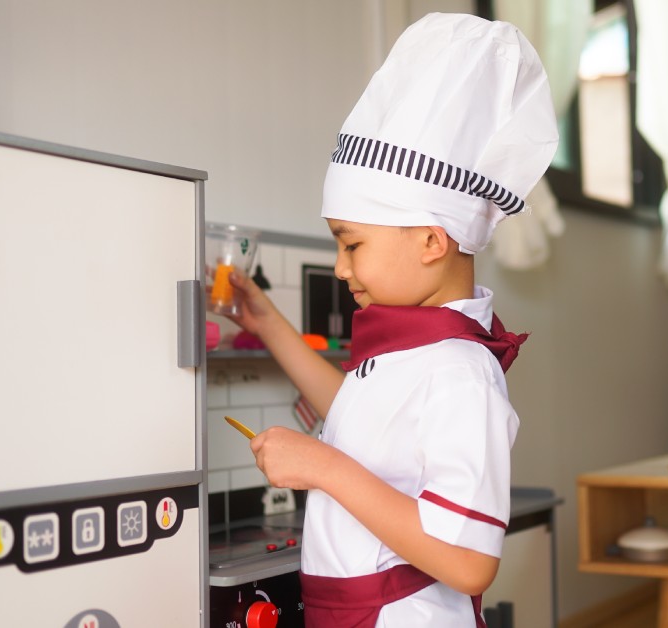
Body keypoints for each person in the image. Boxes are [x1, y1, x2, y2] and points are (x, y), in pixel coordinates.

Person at [220, 12, 557, 627]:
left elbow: (469, 562)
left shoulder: (461, 372)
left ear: (432, 240)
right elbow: (355, 411)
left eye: (352, 245)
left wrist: (324, 467)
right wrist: (268, 323)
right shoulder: (412, 351)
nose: (342, 269)